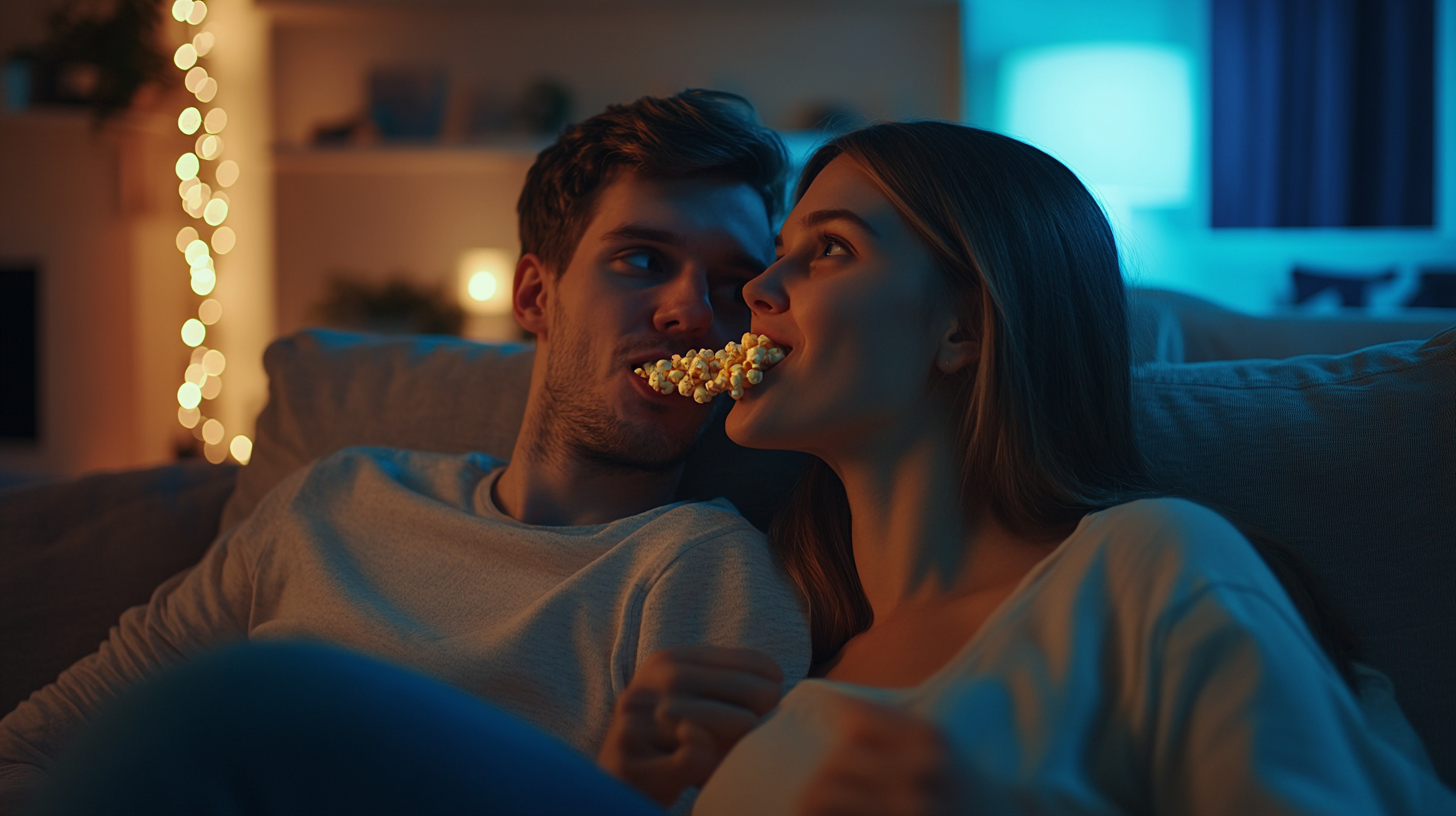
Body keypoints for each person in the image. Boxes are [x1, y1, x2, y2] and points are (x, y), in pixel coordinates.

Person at [23, 120, 1455, 816]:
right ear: (533, 292)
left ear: (966, 324)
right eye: (772, 261)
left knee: (247, 703)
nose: (737, 305)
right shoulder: (808, 660)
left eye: (809, 256)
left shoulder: (1150, 566)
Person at [0, 90, 811, 815]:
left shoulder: (705, 570)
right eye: (643, 261)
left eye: (730, 285)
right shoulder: (336, 500)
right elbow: (35, 750)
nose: (693, 314)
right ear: (536, 295)